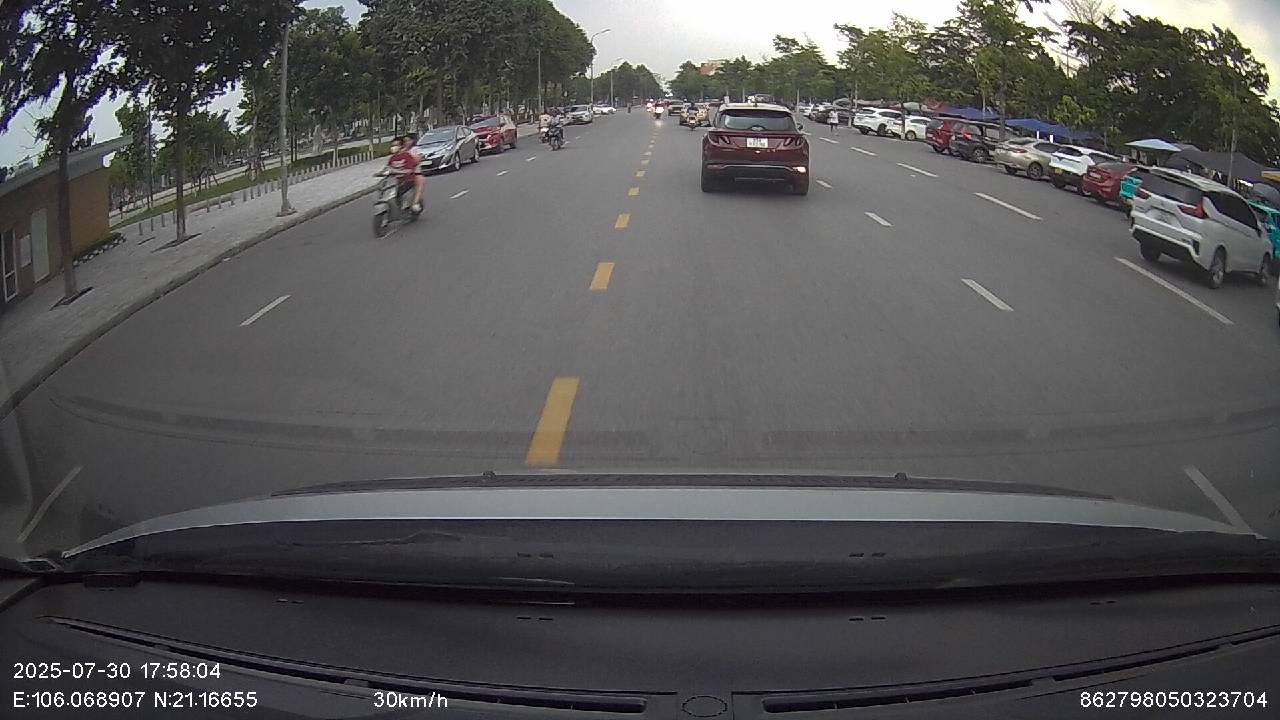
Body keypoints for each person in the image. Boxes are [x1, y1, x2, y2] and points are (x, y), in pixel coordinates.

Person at [388, 134, 425, 213]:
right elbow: (390, 164)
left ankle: (415, 203)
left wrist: (408, 157)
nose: (406, 143)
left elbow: (418, 159)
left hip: (415, 173)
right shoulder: (398, 153)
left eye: (408, 140)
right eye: (405, 141)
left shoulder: (415, 149)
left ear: (413, 141)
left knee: (419, 182)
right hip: (399, 175)